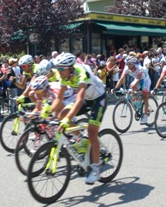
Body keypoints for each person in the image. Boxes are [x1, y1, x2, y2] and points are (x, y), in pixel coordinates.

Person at [44, 53, 107, 184]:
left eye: (62, 69)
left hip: (98, 99)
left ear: (71, 68)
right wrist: (46, 113)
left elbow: (79, 100)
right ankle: (81, 139)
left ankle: (95, 170)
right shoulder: (63, 76)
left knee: (92, 132)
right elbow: (59, 98)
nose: (59, 72)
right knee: (61, 114)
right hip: (86, 99)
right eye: (58, 68)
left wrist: (67, 120)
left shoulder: (81, 73)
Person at [111, 56, 151, 124]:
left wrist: (133, 86)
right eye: (127, 64)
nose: (128, 65)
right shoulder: (126, 68)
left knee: (144, 95)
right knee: (131, 89)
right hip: (137, 79)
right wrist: (115, 88)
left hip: (145, 80)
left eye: (129, 64)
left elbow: (138, 79)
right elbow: (121, 78)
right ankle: (138, 104)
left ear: (133, 64)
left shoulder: (139, 68)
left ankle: (145, 115)